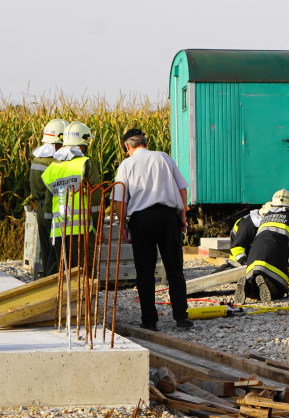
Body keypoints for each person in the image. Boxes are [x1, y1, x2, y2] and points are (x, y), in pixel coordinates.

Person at [114, 127, 192, 331]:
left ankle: (149, 320)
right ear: (146, 143)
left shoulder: (126, 164)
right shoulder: (164, 158)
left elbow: (120, 198)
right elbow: (182, 188)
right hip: (168, 217)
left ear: (127, 146)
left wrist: (122, 225)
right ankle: (181, 317)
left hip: (142, 219)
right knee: (174, 268)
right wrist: (182, 216)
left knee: (145, 270)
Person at [40, 121, 102, 274]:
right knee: (85, 274)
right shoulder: (85, 164)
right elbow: (96, 198)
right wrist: (98, 226)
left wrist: (50, 229)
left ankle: (64, 298)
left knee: (63, 273)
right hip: (82, 229)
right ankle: (83, 298)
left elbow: (48, 201)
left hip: (59, 229)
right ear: (83, 143)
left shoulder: (53, 167)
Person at [239, 189, 289, 304]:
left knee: (256, 291)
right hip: (274, 259)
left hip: (253, 258)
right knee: (279, 290)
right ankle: (268, 285)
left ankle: (248, 287)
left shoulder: (264, 219)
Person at [28, 118, 67, 277]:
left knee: (46, 249)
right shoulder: (54, 161)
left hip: (41, 207)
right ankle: (53, 281)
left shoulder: (38, 158)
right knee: (55, 250)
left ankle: (48, 280)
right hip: (52, 209)